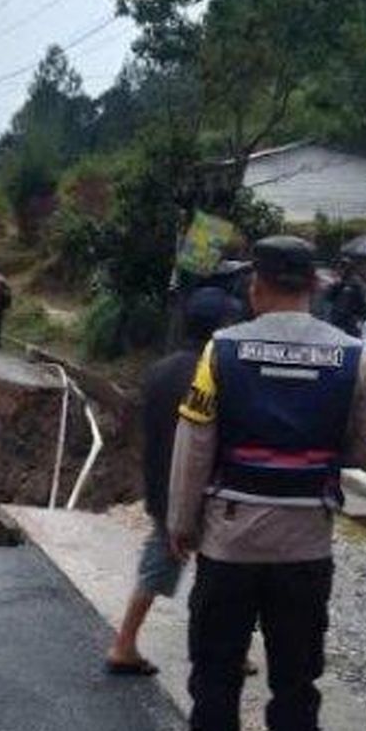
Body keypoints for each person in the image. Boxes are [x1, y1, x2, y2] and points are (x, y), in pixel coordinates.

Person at [168, 236, 366, 731]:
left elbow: (194, 444)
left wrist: (182, 522)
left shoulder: (221, 350)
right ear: (314, 285)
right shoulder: (355, 356)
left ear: (255, 286)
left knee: (216, 671)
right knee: (296, 681)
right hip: (306, 546)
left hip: (229, 544)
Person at [106, 288, 243, 676]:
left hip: (162, 484)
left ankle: (126, 642)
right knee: (226, 571)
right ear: (221, 328)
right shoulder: (218, 374)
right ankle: (226, 650)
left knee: (157, 564)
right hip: (210, 486)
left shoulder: (160, 369)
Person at [321, 259, 366, 337]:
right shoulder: (341, 282)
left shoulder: (355, 284)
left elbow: (364, 301)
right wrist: (335, 286)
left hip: (348, 320)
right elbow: (328, 297)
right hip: (339, 319)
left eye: (342, 267)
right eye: (337, 267)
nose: (339, 270)